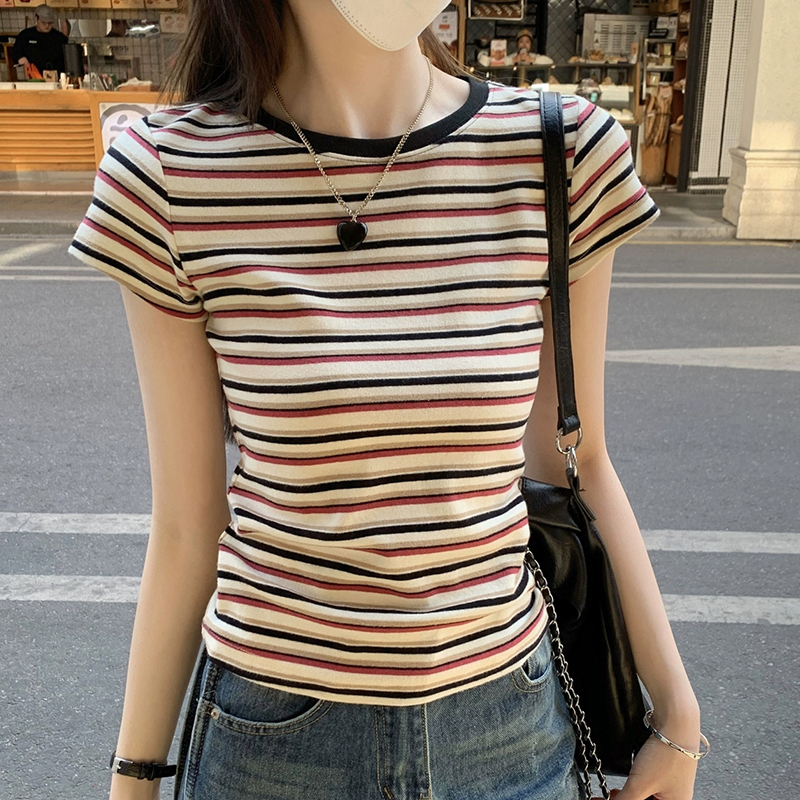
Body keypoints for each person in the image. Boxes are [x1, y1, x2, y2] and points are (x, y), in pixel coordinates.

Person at [67, 1, 707, 799]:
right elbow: (186, 524)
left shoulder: (559, 150)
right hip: (274, 743)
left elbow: (578, 461)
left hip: (508, 729)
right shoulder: (170, 173)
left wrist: (678, 714)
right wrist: (134, 776)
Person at [10, 3, 68, 77]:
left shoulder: (59, 38)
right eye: (43, 22)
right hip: (34, 78)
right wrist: (20, 58)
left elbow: (68, 60)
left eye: (50, 23)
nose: (47, 26)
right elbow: (15, 53)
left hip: (57, 78)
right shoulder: (25, 35)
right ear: (36, 18)